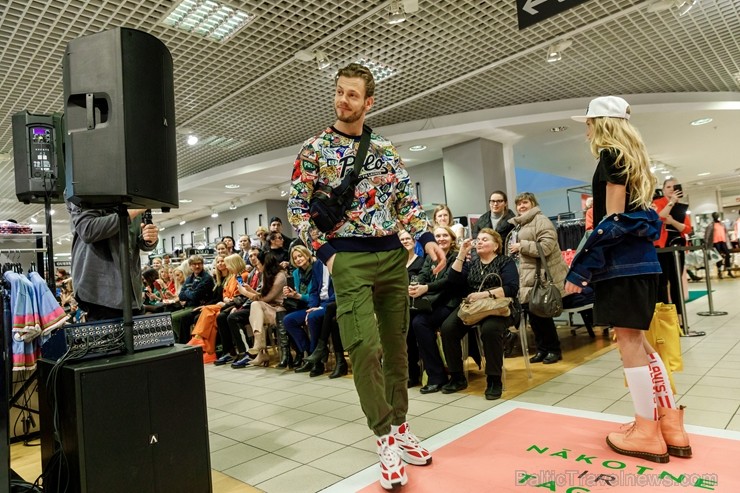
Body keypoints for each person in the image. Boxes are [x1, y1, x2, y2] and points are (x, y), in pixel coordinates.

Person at [287, 63, 445, 490]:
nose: (343, 100)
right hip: (347, 258)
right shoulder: (315, 149)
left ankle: (399, 426)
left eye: (352, 94)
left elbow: (405, 203)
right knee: (365, 346)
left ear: (368, 102)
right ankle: (383, 438)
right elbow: (298, 211)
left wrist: (425, 235)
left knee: (397, 348)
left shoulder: (385, 150)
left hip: (392, 255)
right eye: (339, 92)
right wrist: (326, 255)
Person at [567, 96, 689, 463]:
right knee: (642, 344)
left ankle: (646, 429)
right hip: (643, 264)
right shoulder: (635, 161)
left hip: (622, 267)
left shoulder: (610, 156)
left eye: (588, 122)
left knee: (630, 345)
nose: (586, 129)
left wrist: (581, 267)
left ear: (600, 123)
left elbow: (613, 222)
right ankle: (670, 426)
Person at [440, 229, 519, 400]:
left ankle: (494, 380)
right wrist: (462, 253)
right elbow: (452, 281)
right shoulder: (472, 263)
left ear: (496, 245)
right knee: (447, 328)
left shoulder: (505, 262)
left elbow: (511, 288)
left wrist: (484, 294)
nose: (480, 242)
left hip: (498, 308)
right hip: (473, 309)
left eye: (485, 239)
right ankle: (457, 377)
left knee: (490, 330)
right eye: (478, 240)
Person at [67, 203, 159, 321]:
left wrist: (150, 239)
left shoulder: (134, 194)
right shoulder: (85, 187)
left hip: (132, 294)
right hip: (101, 294)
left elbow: (137, 239)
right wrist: (132, 212)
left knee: (137, 337)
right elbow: (87, 230)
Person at [508, 192, 568, 364]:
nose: (521, 206)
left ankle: (553, 350)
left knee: (542, 315)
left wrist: (522, 246)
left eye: (525, 202)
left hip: (539, 276)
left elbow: (546, 247)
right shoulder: (521, 224)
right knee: (534, 316)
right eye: (518, 204)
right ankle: (542, 349)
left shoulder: (541, 221)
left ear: (533, 203)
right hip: (527, 276)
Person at [409, 226, 461, 394]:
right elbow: (423, 275)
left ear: (452, 239)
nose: (441, 238)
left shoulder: (457, 257)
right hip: (432, 303)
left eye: (445, 235)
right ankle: (434, 375)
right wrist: (416, 286)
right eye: (437, 236)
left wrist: (426, 287)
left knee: (427, 324)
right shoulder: (430, 258)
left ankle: (444, 375)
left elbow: (448, 282)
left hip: (451, 303)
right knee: (416, 322)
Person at [652, 178, 694, 319]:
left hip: (678, 246)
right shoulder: (657, 203)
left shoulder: (682, 208)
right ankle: (665, 318)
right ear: (663, 189)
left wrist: (672, 222)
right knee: (662, 282)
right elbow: (659, 218)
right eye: (668, 186)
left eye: (674, 186)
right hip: (661, 248)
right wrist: (671, 202)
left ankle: (680, 317)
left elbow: (687, 229)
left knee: (676, 282)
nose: (671, 189)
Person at [704, 212, 734, 279]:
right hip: (715, 242)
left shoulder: (722, 224)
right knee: (718, 257)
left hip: (723, 241)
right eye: (715, 215)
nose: (716, 216)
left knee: (728, 255)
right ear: (713, 216)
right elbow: (707, 235)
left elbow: (726, 233)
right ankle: (719, 271)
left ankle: (729, 270)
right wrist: (706, 243)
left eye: (717, 215)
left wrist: (729, 241)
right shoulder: (711, 225)